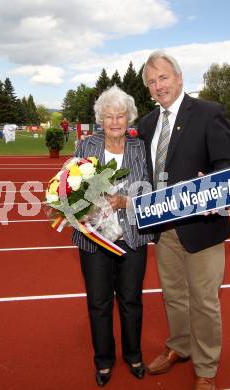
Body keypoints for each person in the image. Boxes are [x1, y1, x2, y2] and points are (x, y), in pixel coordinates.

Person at [138, 51, 230, 390]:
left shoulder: (209, 113)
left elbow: (228, 164)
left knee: (205, 301)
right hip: (164, 230)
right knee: (173, 296)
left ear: (179, 78)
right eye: (152, 82)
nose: (158, 86)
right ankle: (180, 346)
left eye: (163, 78)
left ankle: (206, 367)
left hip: (202, 228)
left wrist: (210, 185)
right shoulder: (148, 123)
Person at [72, 86, 153, 387]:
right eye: (109, 116)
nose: (115, 122)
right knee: (99, 302)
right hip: (94, 238)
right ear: (100, 119)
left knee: (131, 300)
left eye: (121, 116)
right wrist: (82, 207)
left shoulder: (140, 148)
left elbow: (152, 192)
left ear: (129, 118)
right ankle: (103, 361)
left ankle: (133, 355)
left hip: (131, 236)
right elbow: (70, 188)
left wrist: (127, 201)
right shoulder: (85, 146)